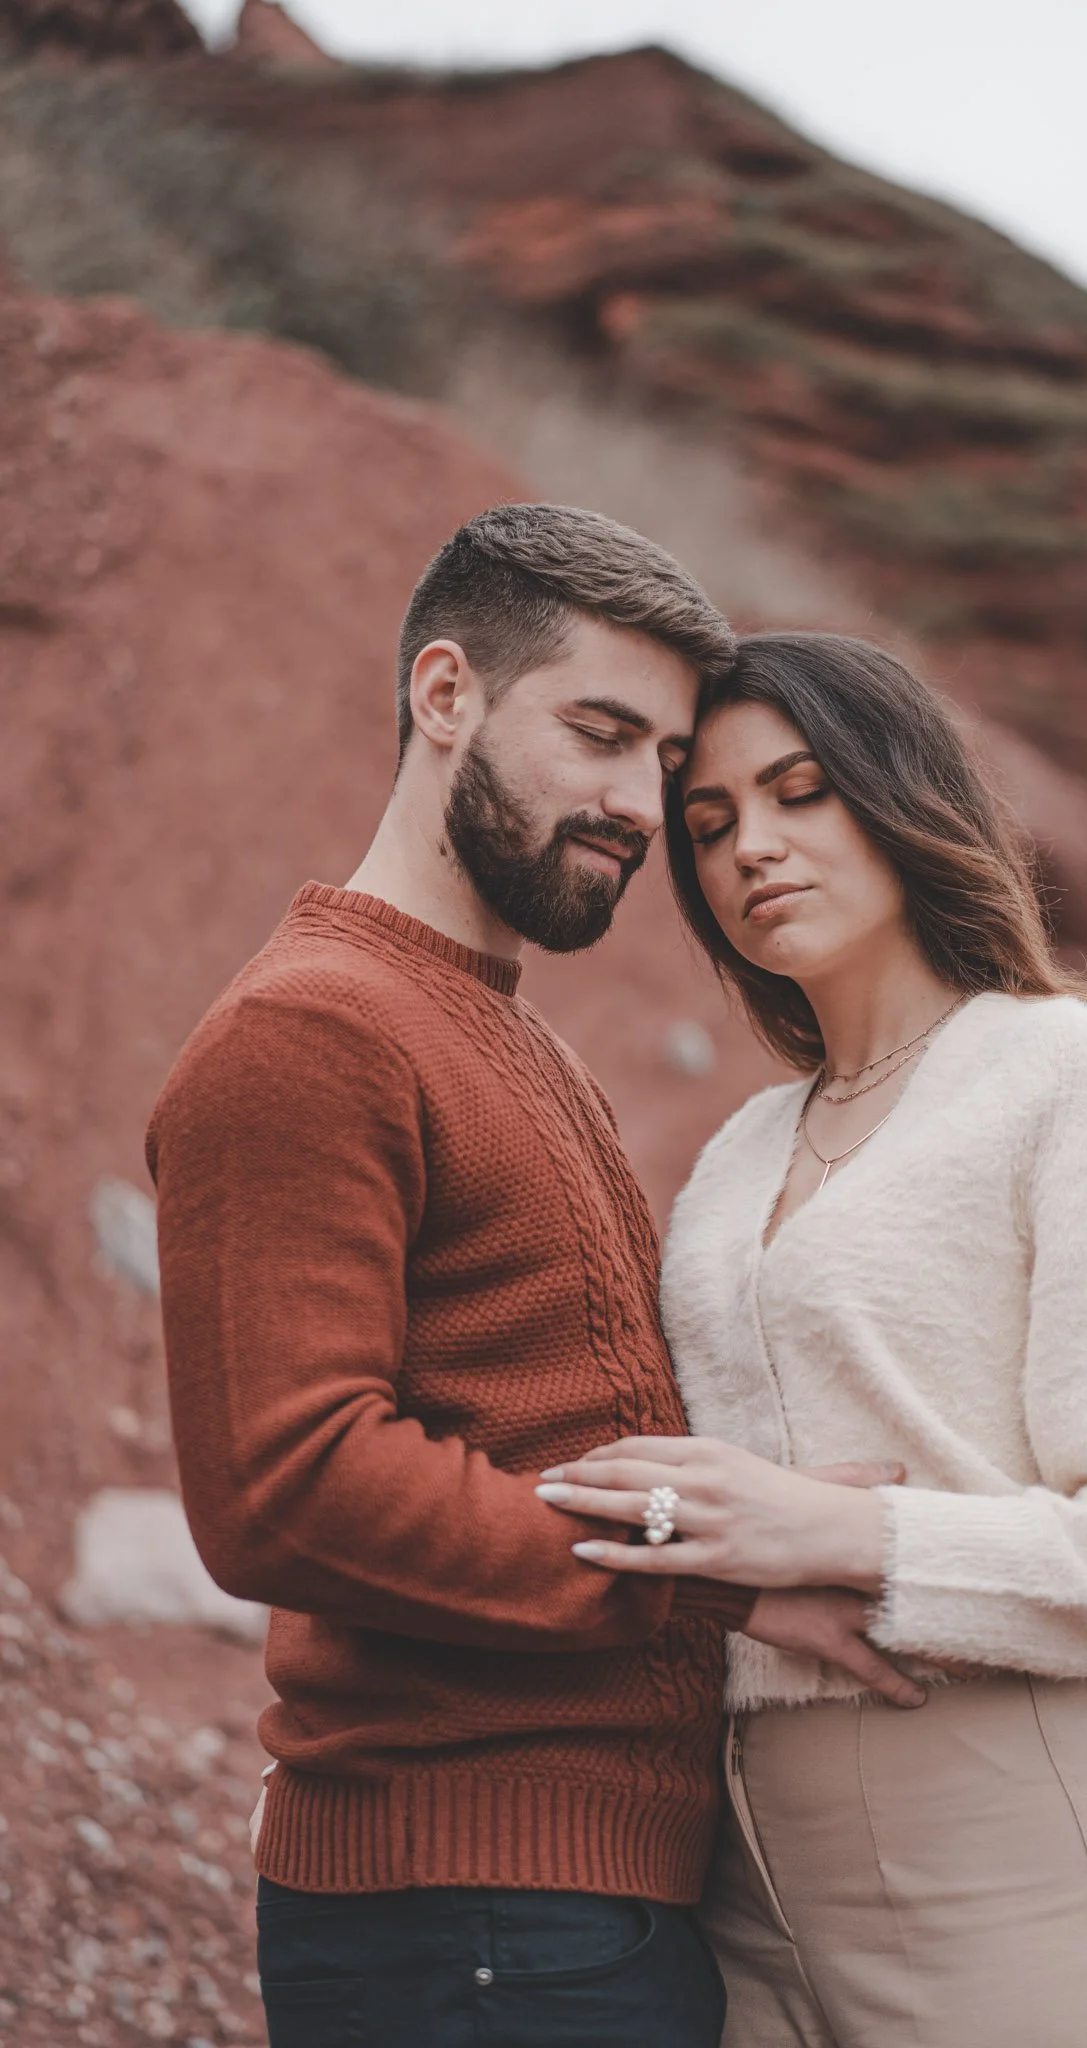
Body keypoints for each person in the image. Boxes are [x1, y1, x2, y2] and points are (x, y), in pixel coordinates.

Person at [147, 526, 923, 2048]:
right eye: (601, 735)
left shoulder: (500, 1032)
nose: (644, 806)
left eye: (667, 759)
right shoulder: (313, 1031)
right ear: (445, 694)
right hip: (469, 1925)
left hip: (568, 1915)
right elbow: (285, 1486)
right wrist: (721, 1566)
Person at [535, 631, 1087, 2047]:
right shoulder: (741, 1156)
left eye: (802, 790)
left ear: (900, 793)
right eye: (711, 823)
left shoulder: (1069, 1075)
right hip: (741, 1882)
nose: (753, 845)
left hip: (1007, 1857)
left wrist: (851, 1542)